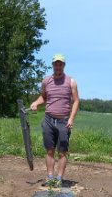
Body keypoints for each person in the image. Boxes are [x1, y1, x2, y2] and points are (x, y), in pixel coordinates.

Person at [29, 53, 80, 187]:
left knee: (62, 152)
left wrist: (71, 119)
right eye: (56, 63)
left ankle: (59, 179)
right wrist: (35, 103)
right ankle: (50, 177)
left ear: (64, 65)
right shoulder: (46, 81)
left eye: (60, 63)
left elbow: (76, 101)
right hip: (48, 120)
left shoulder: (71, 81)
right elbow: (43, 97)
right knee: (49, 150)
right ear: (53, 65)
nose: (58, 66)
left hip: (63, 121)